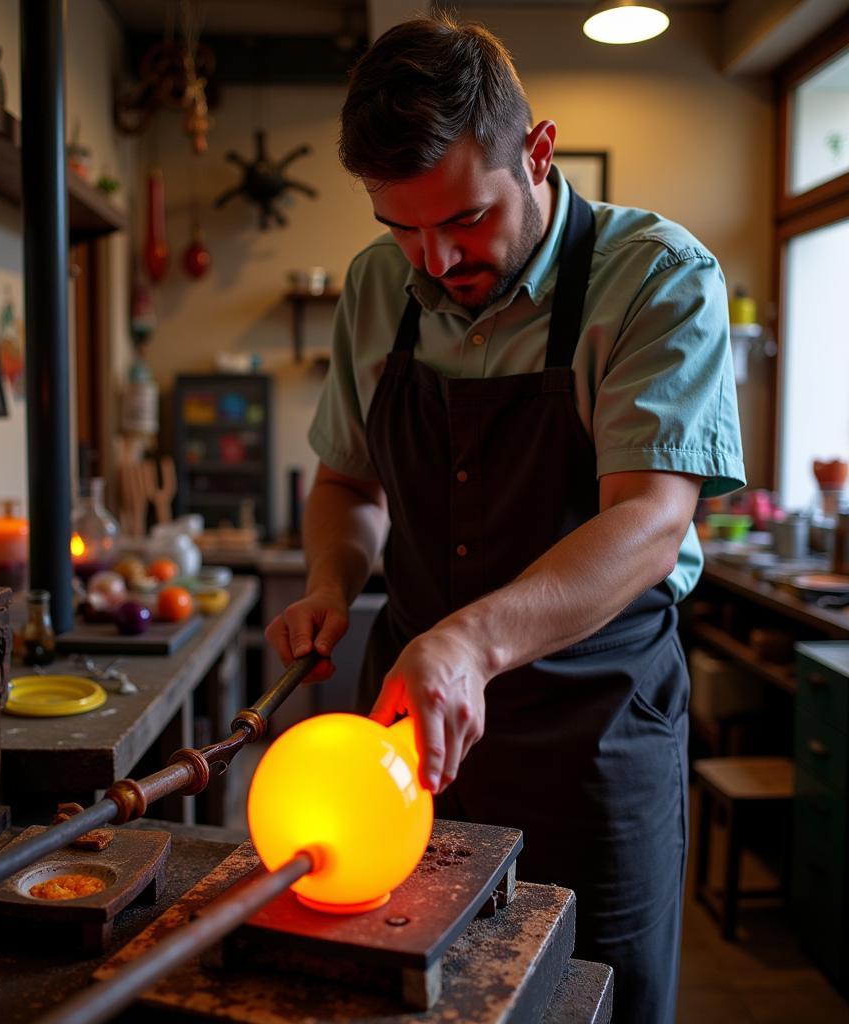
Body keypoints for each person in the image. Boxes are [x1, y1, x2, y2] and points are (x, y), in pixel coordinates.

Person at [265, 14, 744, 1024]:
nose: (435, 260)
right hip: (409, 733)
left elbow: (652, 518)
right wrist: (327, 585)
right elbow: (348, 486)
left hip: (594, 733)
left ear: (538, 150)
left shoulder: (656, 276)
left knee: (591, 998)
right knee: (415, 997)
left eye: (466, 221)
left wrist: (472, 641)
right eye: (403, 230)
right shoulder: (375, 287)